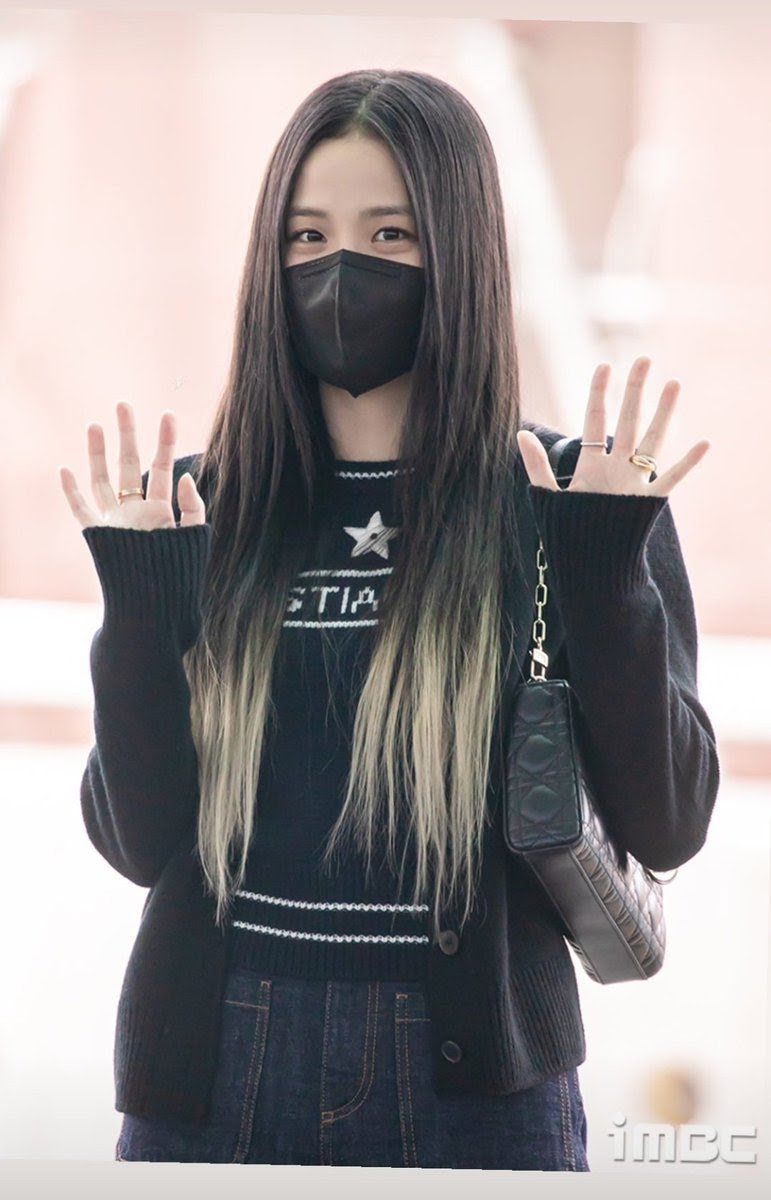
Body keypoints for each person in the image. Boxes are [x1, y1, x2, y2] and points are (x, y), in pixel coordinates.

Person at [59, 68, 720, 1170]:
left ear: (458, 251)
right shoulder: (196, 509)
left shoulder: (565, 497)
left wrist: (605, 571)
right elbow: (137, 841)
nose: (339, 270)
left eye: (389, 234)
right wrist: (138, 608)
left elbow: (669, 824)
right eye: (306, 236)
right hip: (215, 1074)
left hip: (477, 1093)